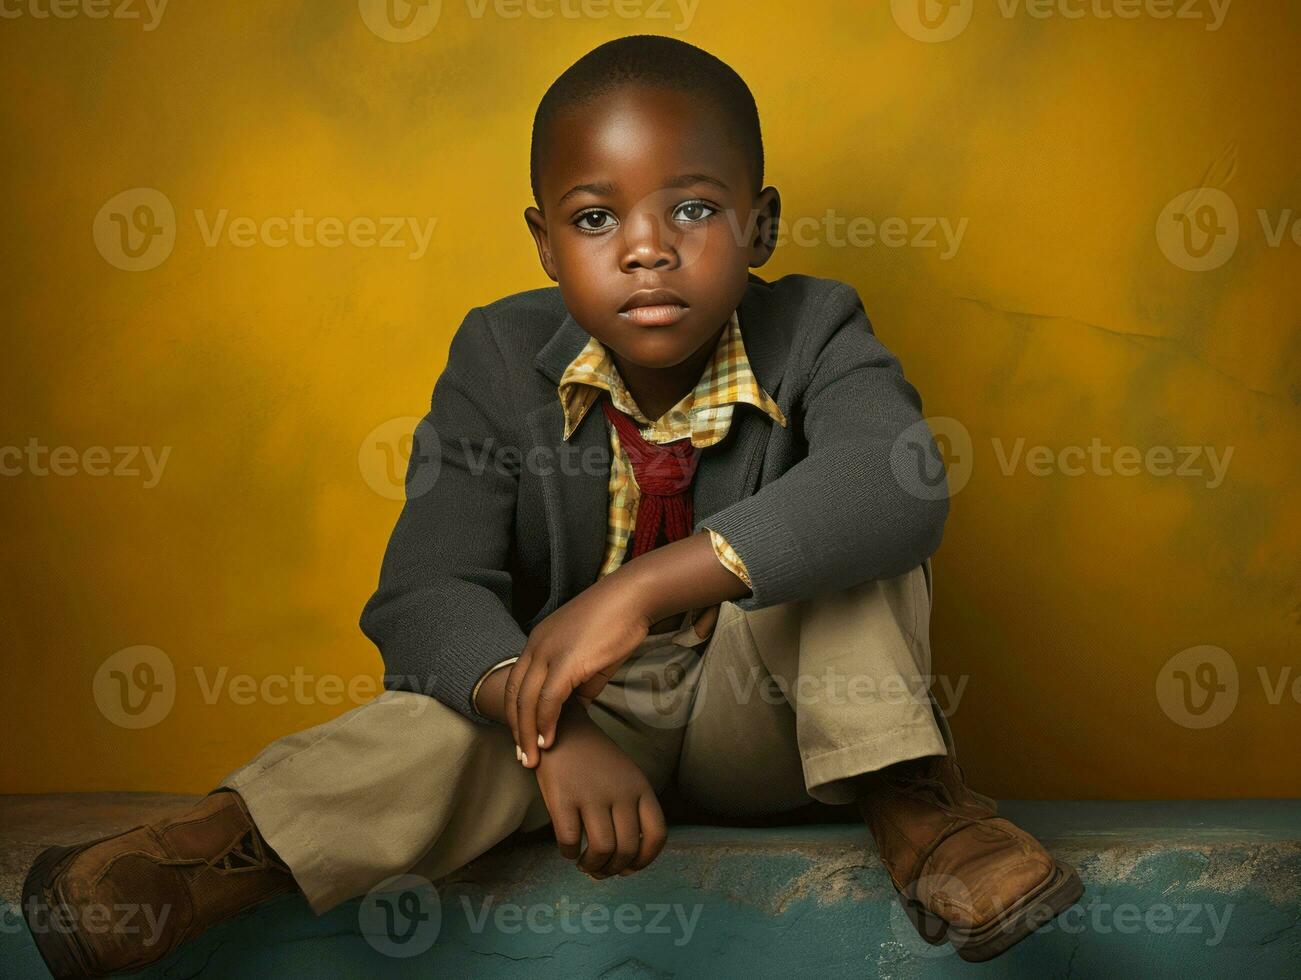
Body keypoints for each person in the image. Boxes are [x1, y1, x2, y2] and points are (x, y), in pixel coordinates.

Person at [21, 34, 1081, 977]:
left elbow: (895, 485)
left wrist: (638, 588)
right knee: (429, 720)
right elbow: (423, 592)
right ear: (543, 241)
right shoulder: (495, 352)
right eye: (593, 216)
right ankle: (215, 853)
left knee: (854, 538)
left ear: (760, 225)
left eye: (695, 207)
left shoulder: (814, 326)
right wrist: (548, 727)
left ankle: (916, 805)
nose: (644, 246)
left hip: (772, 725)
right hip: (579, 725)